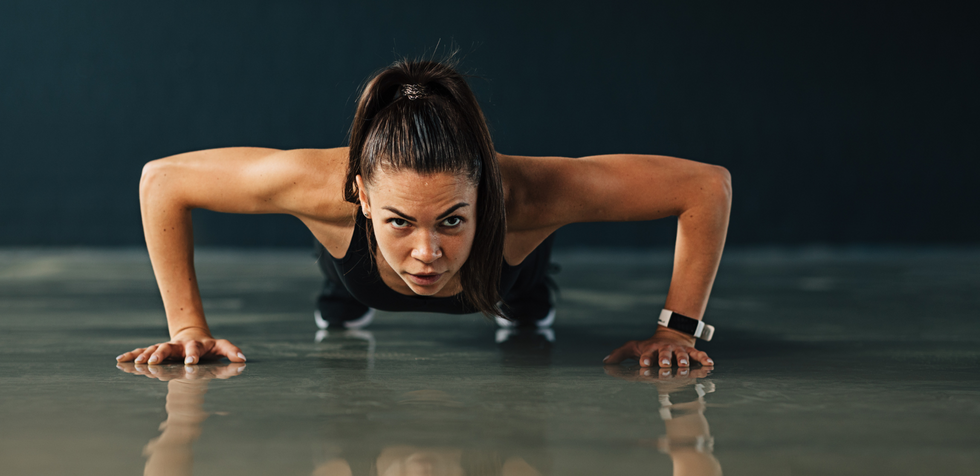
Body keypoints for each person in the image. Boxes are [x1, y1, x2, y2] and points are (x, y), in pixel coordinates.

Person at [114, 58, 731, 369]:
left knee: (522, 299)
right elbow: (162, 181)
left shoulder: (534, 192)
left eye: (453, 220)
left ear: (485, 195)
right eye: (400, 222)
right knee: (346, 286)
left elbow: (706, 187)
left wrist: (677, 330)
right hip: (352, 270)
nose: (428, 253)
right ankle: (346, 294)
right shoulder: (318, 187)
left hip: (507, 273)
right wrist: (188, 329)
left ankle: (525, 298)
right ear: (359, 193)